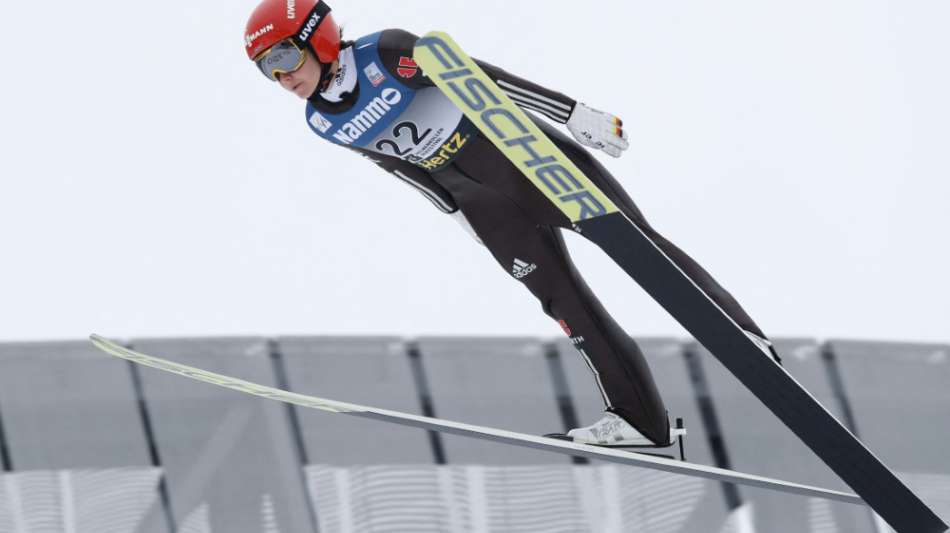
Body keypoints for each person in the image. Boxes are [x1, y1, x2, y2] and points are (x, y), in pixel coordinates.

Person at [244, 0, 780, 448]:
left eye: (285, 55)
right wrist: (457, 216)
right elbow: (398, 165)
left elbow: (485, 82)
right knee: (562, 301)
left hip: (519, 159)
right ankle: (641, 420)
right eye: (268, 69)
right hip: (479, 202)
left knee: (636, 248)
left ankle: (741, 338)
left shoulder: (387, 52)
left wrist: (574, 115)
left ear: (321, 37)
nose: (283, 75)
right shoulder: (322, 121)